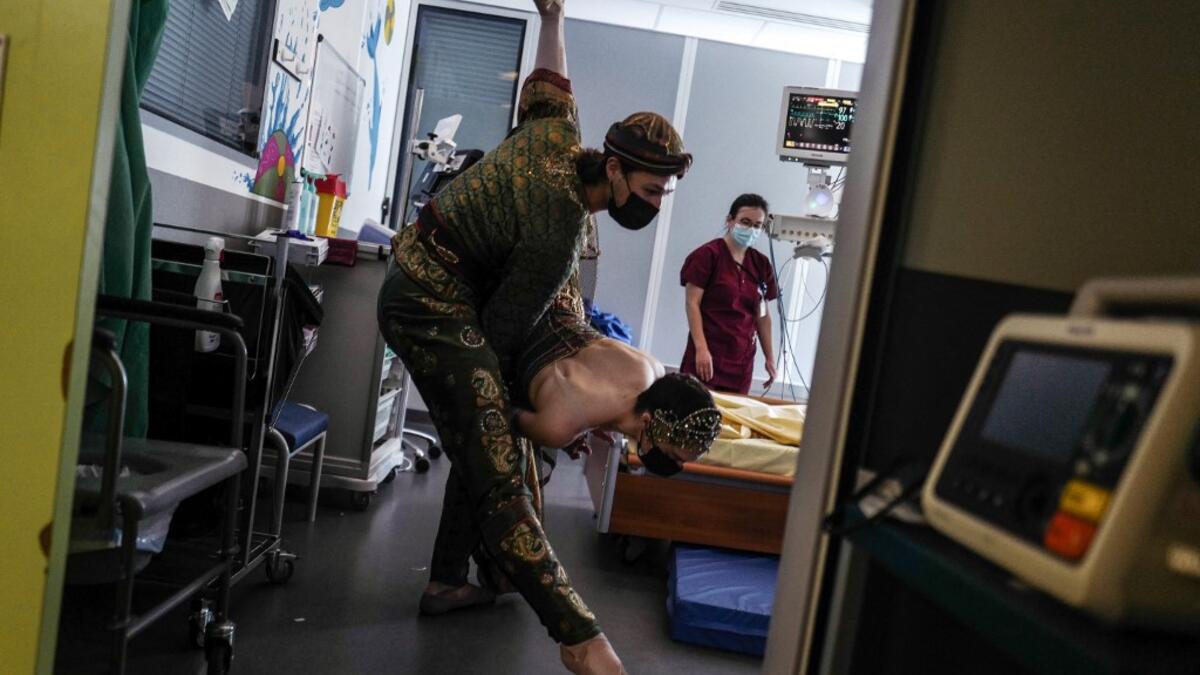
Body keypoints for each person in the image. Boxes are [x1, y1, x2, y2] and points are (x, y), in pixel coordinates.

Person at [376, 0, 691, 671]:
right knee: (496, 456)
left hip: (447, 274)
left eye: (664, 195)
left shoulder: (559, 131)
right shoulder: (559, 236)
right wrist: (534, 416)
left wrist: (553, 17)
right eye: (651, 191)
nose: (655, 205)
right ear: (614, 170)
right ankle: (580, 636)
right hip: (426, 300)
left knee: (488, 433)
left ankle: (449, 579)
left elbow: (548, 81)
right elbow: (500, 339)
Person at [678, 193, 779, 395]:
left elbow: (762, 315)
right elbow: (692, 304)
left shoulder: (761, 264)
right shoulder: (707, 256)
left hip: (741, 362)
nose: (751, 229)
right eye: (745, 222)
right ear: (730, 220)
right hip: (707, 356)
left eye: (757, 225)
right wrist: (701, 349)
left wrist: (770, 357)